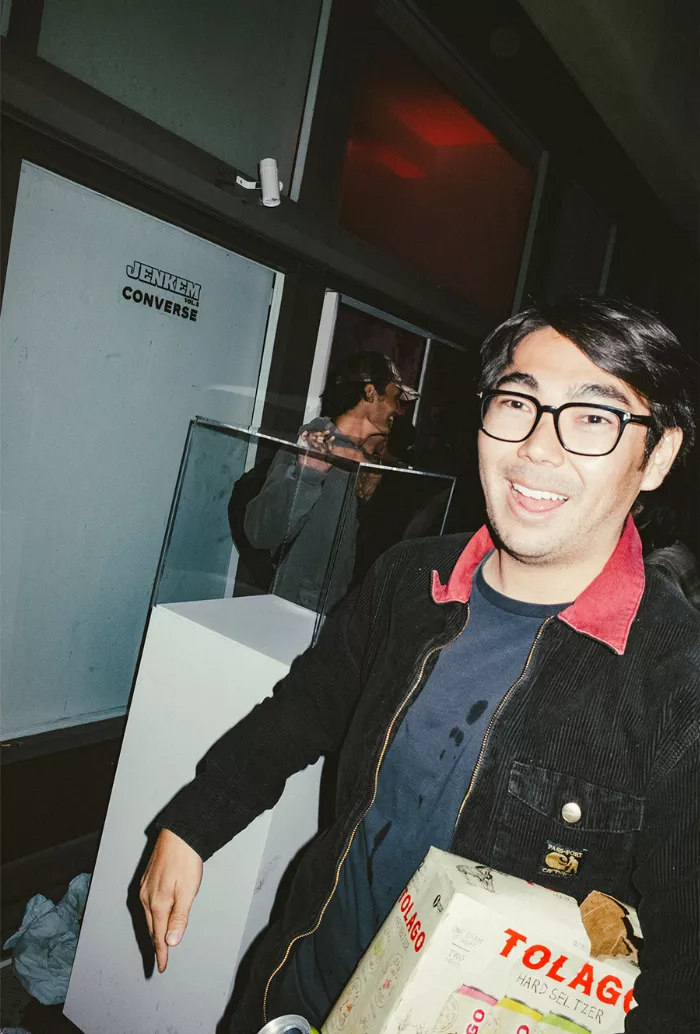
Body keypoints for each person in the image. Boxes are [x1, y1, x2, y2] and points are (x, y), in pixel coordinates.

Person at [140, 296, 699, 1033]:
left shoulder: (672, 679)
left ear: (656, 454)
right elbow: (304, 708)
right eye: (516, 403)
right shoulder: (410, 579)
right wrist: (191, 823)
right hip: (299, 982)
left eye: (593, 418)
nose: (537, 447)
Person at [240, 350, 418, 610]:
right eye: (393, 397)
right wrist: (308, 473)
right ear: (370, 393)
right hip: (299, 612)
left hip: (343, 614)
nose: (399, 410)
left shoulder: (370, 461)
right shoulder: (312, 446)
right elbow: (260, 533)